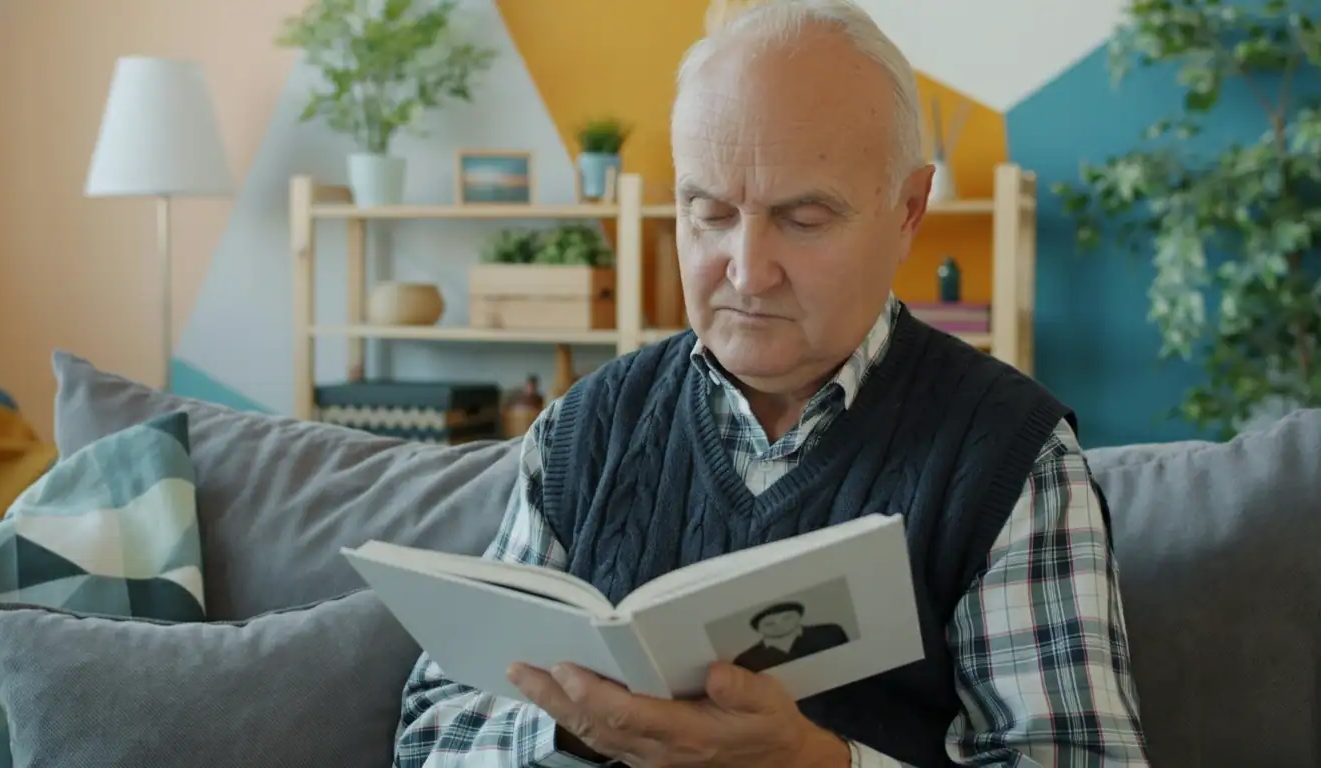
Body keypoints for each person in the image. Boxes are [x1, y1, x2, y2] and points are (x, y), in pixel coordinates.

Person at [395, 1, 1149, 766]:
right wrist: (572, 725)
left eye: (804, 218)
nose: (748, 271)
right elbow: (429, 736)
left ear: (908, 210)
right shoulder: (582, 430)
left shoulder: (1010, 459)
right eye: (710, 212)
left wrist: (813, 763)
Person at [732, 602, 850, 673]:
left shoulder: (830, 633)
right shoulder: (746, 660)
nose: (780, 625)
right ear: (758, 629)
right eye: (769, 624)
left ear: (799, 616)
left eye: (787, 618)